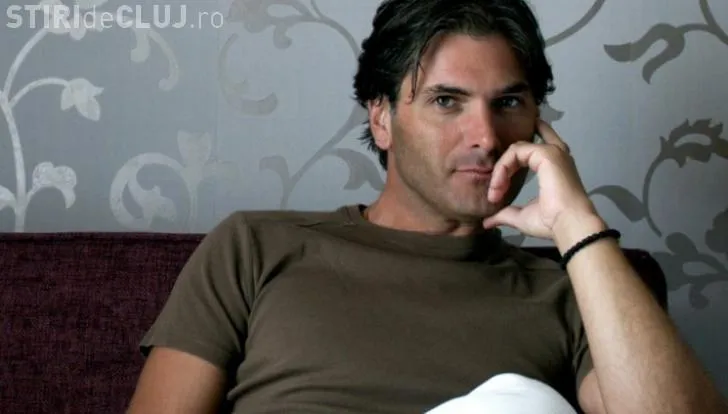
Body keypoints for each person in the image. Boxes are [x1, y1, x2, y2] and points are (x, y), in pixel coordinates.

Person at [127, 0, 728, 413]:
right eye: (446, 101)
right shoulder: (255, 248)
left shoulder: (573, 292)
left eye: (509, 103)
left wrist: (578, 226)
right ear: (382, 118)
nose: (486, 137)